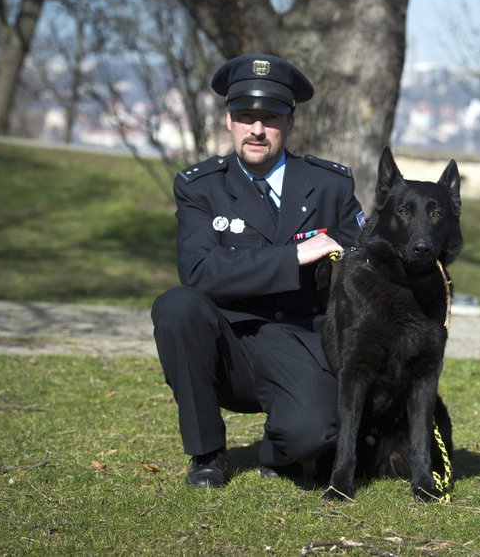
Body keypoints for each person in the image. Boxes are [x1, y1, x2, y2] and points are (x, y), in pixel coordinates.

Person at [151, 53, 366, 488]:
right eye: (245, 116)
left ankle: (278, 449)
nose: (256, 129)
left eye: (269, 117)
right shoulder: (201, 187)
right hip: (226, 340)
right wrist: (294, 257)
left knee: (315, 433)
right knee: (177, 305)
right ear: (229, 121)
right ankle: (207, 453)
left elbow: (364, 252)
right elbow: (199, 271)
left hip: (299, 338)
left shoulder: (330, 185)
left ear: (290, 123)